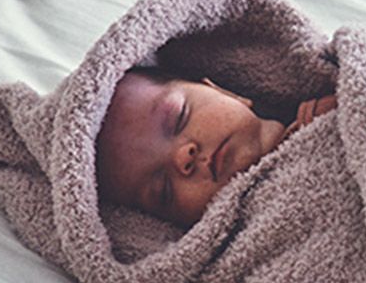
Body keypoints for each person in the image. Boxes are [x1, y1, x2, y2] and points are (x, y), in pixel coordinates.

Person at [95, 66, 336, 228]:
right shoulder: (258, 239)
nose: (183, 157)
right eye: (163, 190)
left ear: (224, 92)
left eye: (179, 117)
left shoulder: (332, 115)